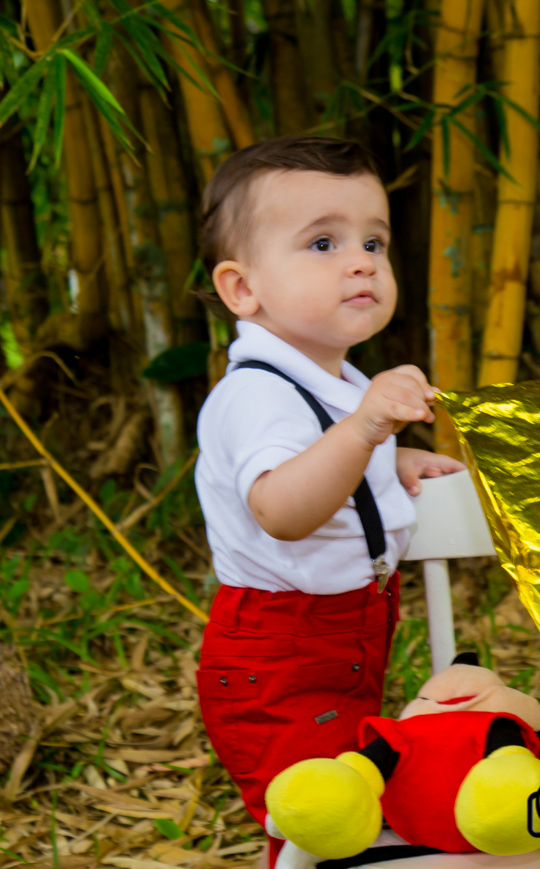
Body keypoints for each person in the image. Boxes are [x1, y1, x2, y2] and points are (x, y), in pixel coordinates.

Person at [193, 136, 465, 867]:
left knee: (339, 785)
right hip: (279, 651)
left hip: (343, 630)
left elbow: (325, 456)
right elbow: (283, 506)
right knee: (321, 809)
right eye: (322, 241)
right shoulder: (254, 394)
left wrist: (387, 454)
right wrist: (369, 425)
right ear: (243, 290)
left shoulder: (330, 381)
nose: (361, 260)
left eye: (373, 241)